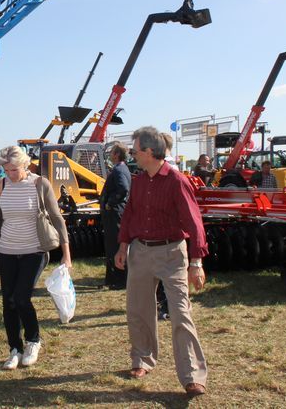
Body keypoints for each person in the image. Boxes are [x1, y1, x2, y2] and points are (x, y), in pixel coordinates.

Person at [114, 126, 208, 398]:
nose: (132, 154)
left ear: (149, 152)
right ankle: (142, 360)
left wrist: (196, 262)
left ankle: (192, 376)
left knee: (180, 314)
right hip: (140, 253)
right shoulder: (139, 181)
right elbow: (130, 215)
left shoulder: (177, 180)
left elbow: (194, 222)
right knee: (138, 310)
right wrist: (123, 247)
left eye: (135, 150)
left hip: (171, 254)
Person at [0, 145, 72, 370]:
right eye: (6, 170)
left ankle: (33, 341)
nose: (10, 174)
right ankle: (14, 349)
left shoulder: (40, 184)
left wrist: (66, 254)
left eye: (14, 170)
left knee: (21, 297)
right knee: (8, 302)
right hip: (7, 251)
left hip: (34, 251)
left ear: (25, 165)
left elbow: (57, 219)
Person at [100, 142, 131, 289]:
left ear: (117, 154)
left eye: (112, 152)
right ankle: (112, 279)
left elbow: (123, 188)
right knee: (112, 246)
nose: (110, 155)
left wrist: (110, 203)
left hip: (115, 214)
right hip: (115, 214)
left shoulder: (119, 170)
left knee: (115, 246)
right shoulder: (122, 169)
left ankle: (119, 280)